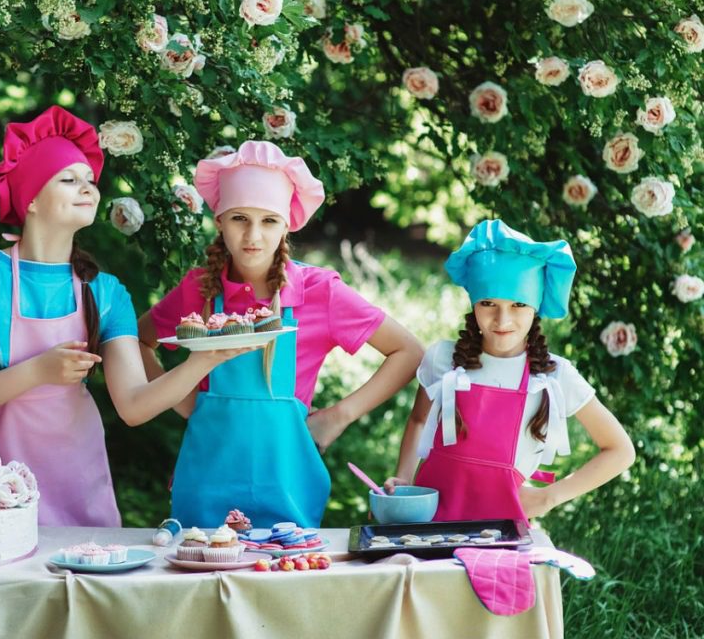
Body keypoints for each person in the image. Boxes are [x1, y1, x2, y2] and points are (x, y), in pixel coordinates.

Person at [0, 106, 248, 526]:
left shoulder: (106, 292)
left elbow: (133, 406)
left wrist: (206, 359)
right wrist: (38, 371)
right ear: (31, 198)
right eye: (69, 180)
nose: (88, 188)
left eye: (90, 181)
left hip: (76, 478)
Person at [138, 140, 424, 528]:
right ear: (219, 220)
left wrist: (339, 415)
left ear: (287, 223)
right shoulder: (199, 289)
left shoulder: (319, 292)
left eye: (269, 220)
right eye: (239, 218)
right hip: (205, 485)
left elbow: (408, 351)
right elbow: (139, 340)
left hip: (289, 489)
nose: (253, 235)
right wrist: (182, 398)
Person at [383, 219, 636, 523]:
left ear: (536, 307)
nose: (503, 320)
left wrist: (547, 497)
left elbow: (620, 450)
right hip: (428, 524)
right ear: (474, 304)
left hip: (501, 533)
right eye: (488, 303)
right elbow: (419, 419)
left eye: (518, 304)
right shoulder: (442, 358)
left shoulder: (555, 376)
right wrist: (405, 480)